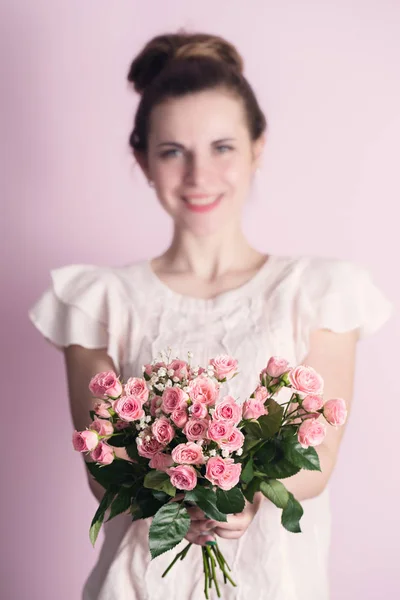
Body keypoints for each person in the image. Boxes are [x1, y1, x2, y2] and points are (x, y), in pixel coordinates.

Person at [28, 31, 394, 600]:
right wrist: (185, 501)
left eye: (222, 146)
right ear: (143, 159)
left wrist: (242, 496)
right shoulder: (99, 301)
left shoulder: (317, 291)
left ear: (257, 148)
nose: (199, 176)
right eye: (173, 151)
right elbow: (105, 470)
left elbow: (318, 459)